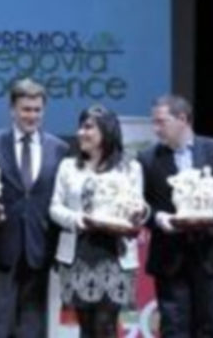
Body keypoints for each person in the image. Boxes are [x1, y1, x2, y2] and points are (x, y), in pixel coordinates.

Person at [138, 94, 213, 338]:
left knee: (207, 328)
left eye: (161, 122)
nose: (156, 129)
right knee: (173, 329)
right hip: (169, 256)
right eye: (154, 123)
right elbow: (141, 205)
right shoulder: (147, 158)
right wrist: (159, 219)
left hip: (210, 253)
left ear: (183, 119)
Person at [0, 79, 69, 338]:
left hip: (39, 248)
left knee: (32, 325)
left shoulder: (59, 148)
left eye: (37, 109)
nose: (32, 115)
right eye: (26, 109)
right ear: (12, 110)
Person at [50, 105, 145, 338]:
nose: (81, 132)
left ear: (107, 131)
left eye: (88, 127)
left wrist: (138, 212)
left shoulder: (130, 168)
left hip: (114, 256)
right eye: (80, 127)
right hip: (78, 255)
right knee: (86, 328)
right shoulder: (68, 167)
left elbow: (139, 207)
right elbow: (55, 207)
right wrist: (77, 219)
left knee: (106, 327)